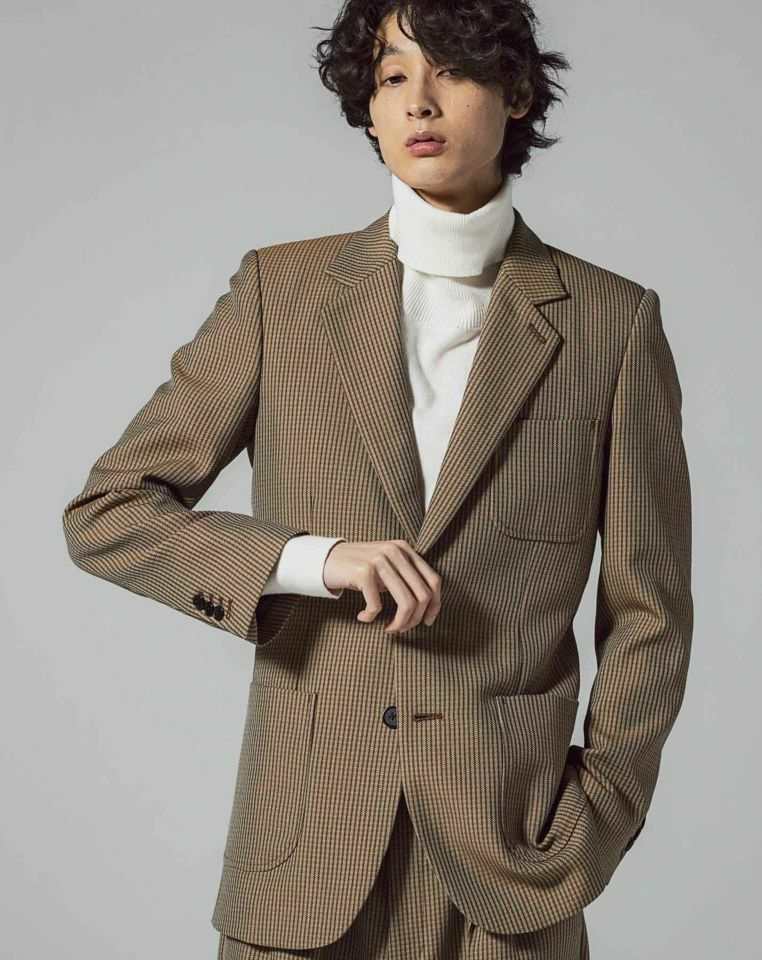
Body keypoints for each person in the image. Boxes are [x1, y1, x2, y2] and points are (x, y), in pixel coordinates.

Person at [62, 2, 693, 958]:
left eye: (454, 70)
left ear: (518, 92)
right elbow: (108, 512)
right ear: (367, 104)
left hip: (511, 863)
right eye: (394, 76)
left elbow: (652, 610)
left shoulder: (612, 323)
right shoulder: (281, 294)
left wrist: (596, 815)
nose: (419, 102)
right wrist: (313, 561)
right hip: (303, 859)